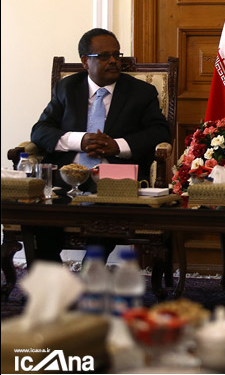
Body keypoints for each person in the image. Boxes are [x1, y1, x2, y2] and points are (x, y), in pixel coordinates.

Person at [29, 28, 172, 262]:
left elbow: (160, 132)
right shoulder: (67, 88)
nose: (114, 61)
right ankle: (50, 276)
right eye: (104, 56)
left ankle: (90, 273)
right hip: (66, 176)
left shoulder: (141, 92)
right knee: (42, 218)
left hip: (116, 179)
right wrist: (79, 140)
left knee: (106, 216)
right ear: (85, 61)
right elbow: (40, 131)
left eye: (117, 55)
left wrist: (117, 146)